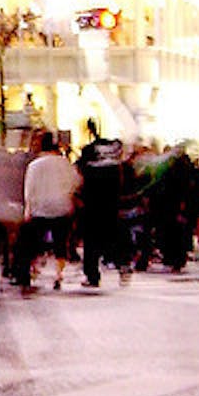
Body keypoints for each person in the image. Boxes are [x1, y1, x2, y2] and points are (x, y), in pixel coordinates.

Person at [17, 131, 80, 295]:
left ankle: (30, 273)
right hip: (61, 207)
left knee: (32, 245)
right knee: (61, 244)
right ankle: (58, 275)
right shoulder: (64, 163)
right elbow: (75, 183)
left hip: (40, 209)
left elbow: (29, 190)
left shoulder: (34, 165)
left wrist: (28, 210)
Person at [76, 122, 123, 288]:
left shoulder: (88, 161)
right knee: (113, 236)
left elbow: (79, 179)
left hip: (92, 205)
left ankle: (92, 275)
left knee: (91, 242)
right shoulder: (114, 162)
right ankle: (122, 265)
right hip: (111, 204)